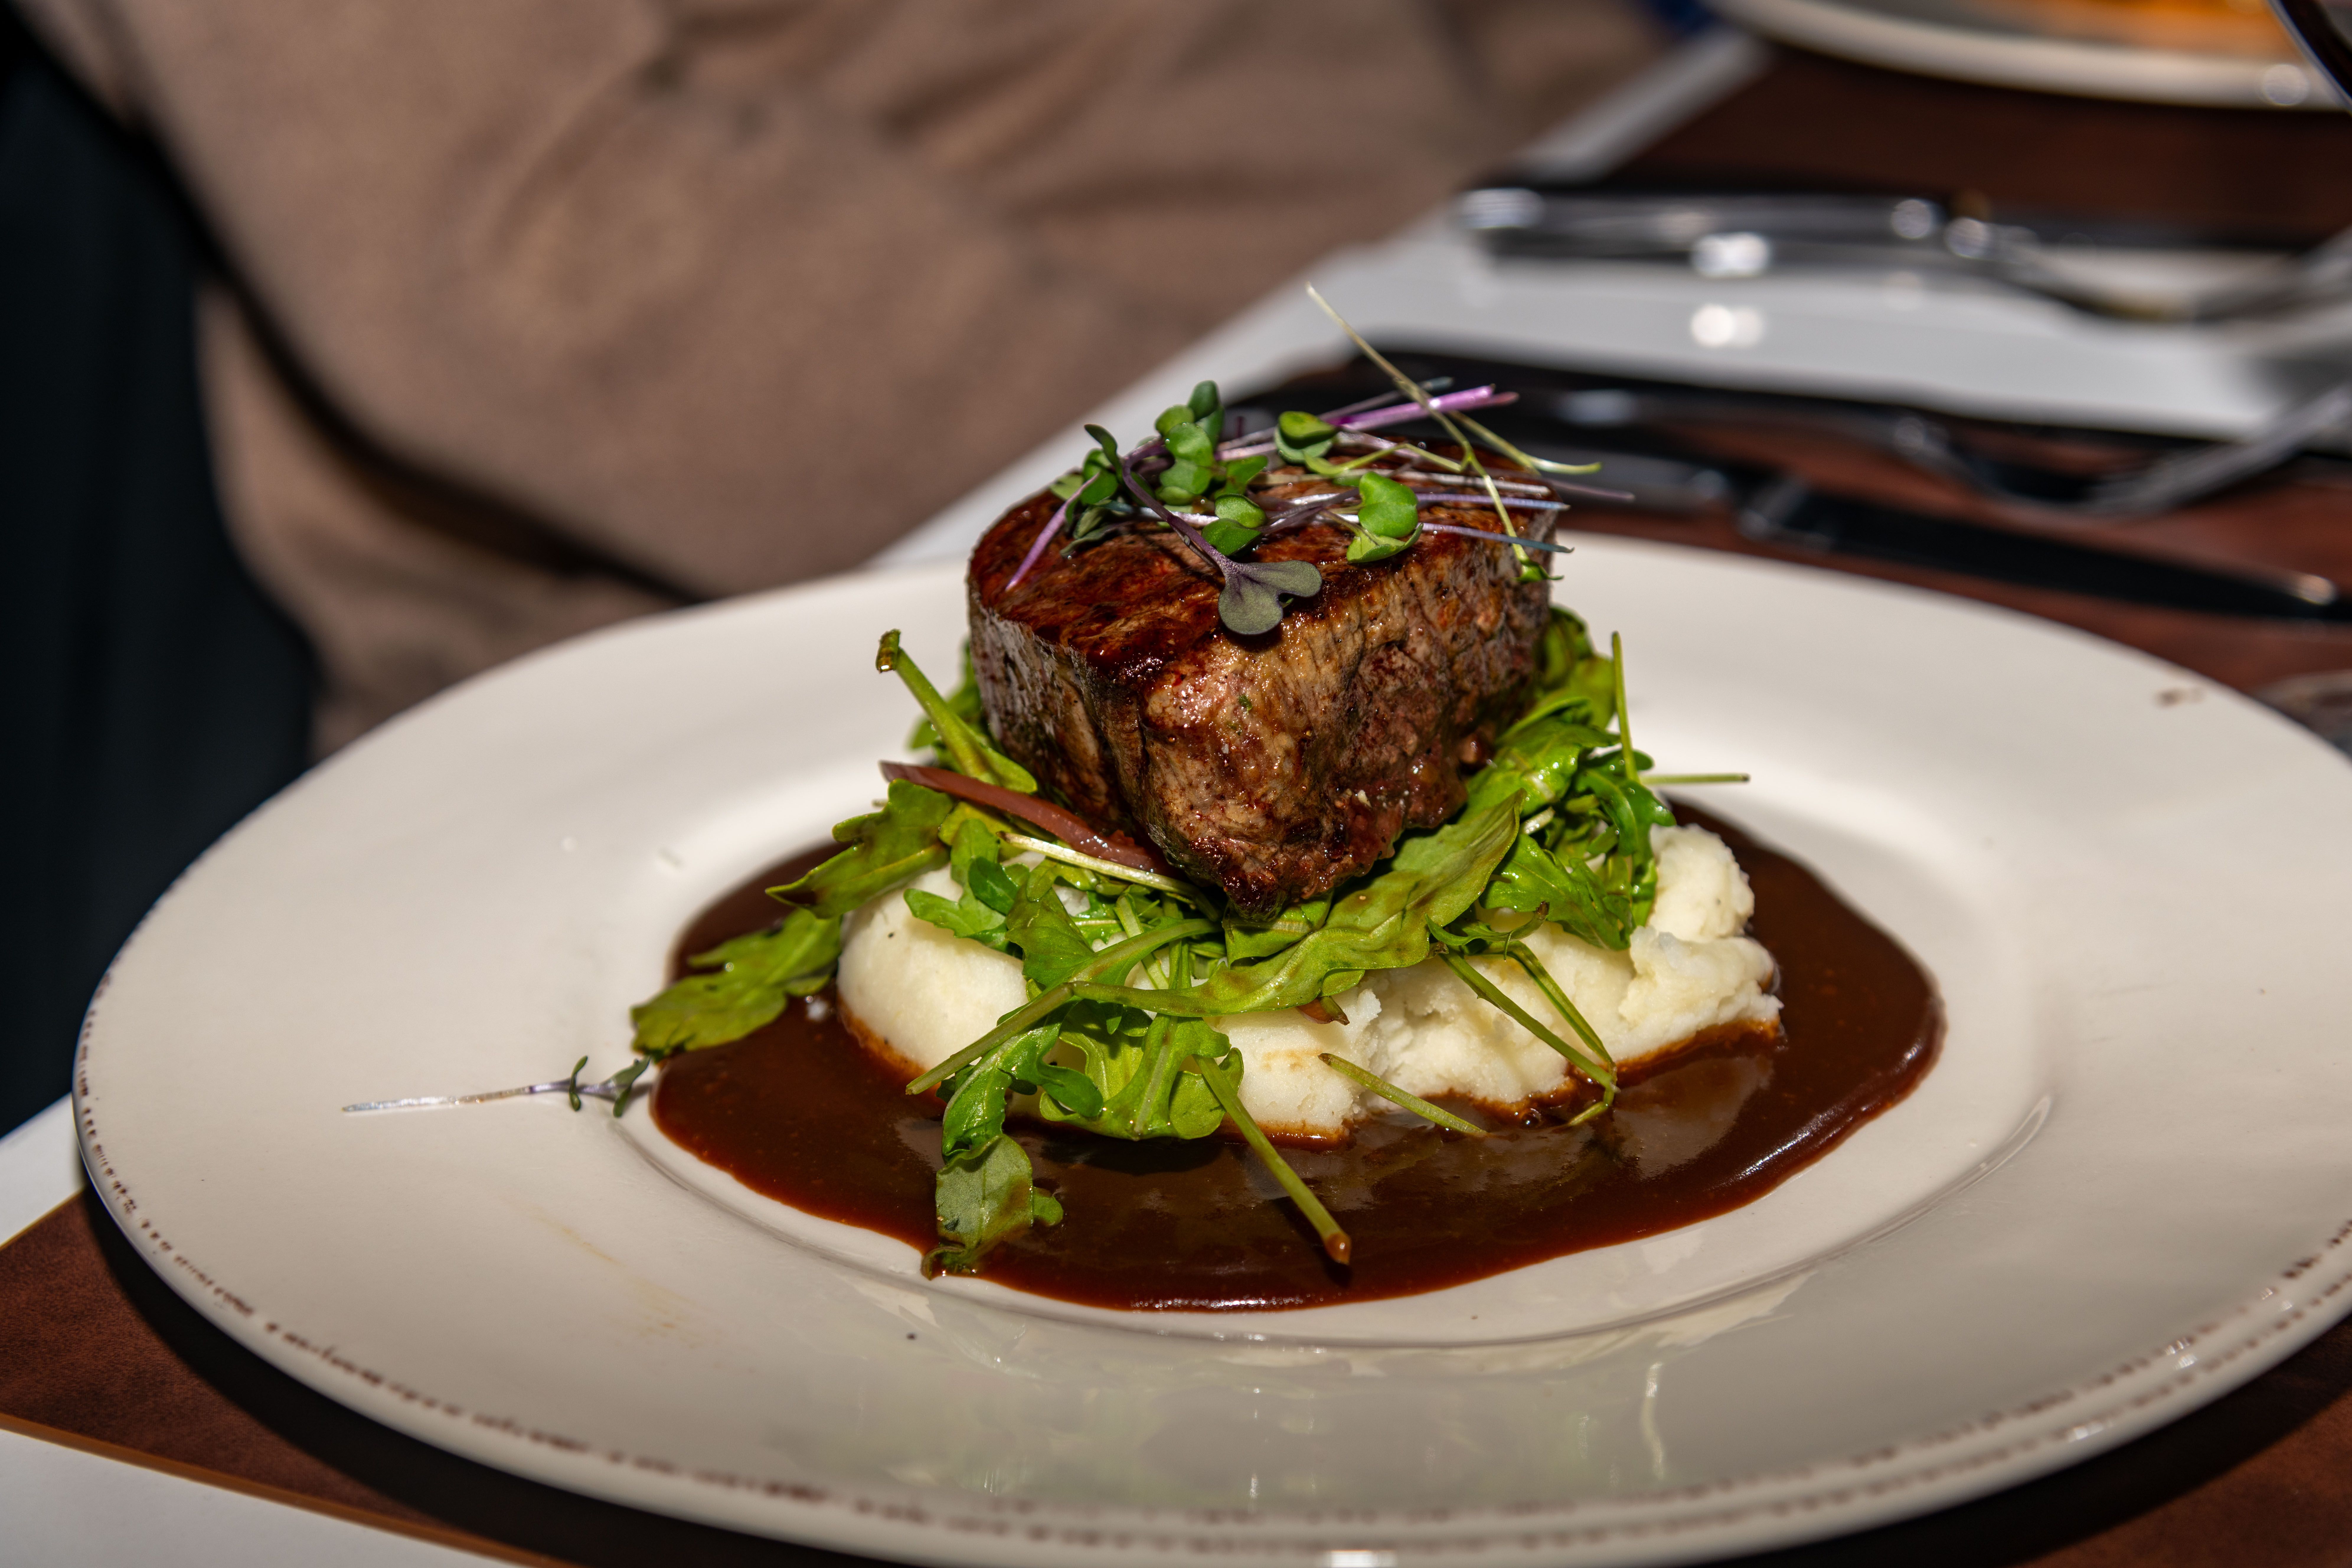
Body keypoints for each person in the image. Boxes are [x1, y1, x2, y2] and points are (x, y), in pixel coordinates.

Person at [1, 0, 1661, 1130]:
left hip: (1499, 322)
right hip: (714, 607)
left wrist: (1617, 175)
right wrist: (1235, 467)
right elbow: (523, 251)